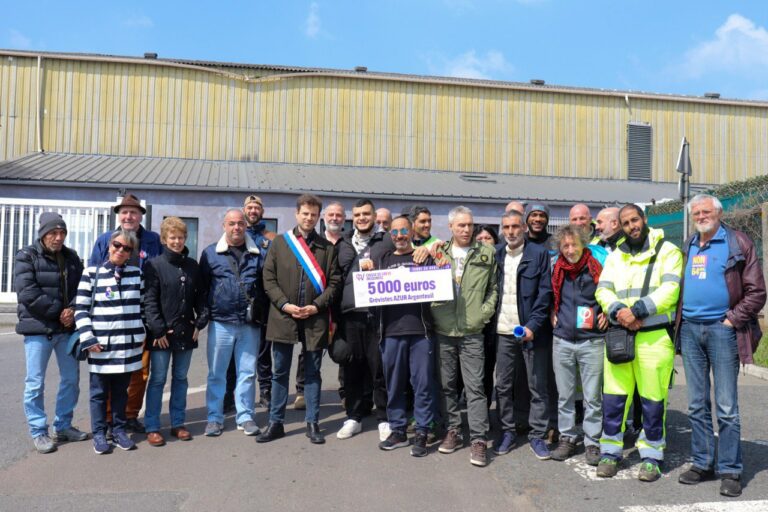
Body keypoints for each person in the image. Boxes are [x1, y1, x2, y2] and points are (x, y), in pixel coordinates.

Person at [675, 194, 766, 498]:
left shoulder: (738, 243)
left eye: (706, 211)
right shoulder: (689, 244)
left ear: (718, 212)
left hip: (722, 331)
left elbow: (756, 292)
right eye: (696, 212)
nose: (701, 216)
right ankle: (702, 463)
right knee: (697, 404)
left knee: (727, 407)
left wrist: (731, 320)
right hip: (690, 330)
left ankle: (730, 469)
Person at [595, 204, 682, 482]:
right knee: (614, 399)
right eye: (626, 222)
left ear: (644, 220)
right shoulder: (616, 255)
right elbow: (603, 289)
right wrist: (619, 310)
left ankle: (651, 458)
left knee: (653, 402)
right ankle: (609, 453)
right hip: (621, 335)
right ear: (620, 226)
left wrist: (638, 310)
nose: (632, 226)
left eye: (635, 220)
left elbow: (671, 289)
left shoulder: (667, 251)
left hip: (654, 338)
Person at [258, 194, 341, 445]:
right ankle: (276, 422)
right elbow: (268, 278)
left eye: (313, 215)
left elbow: (335, 282)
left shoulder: (327, 248)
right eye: (305, 213)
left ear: (319, 218)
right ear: (297, 214)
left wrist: (316, 306)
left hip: (314, 318)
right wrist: (285, 304)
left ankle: (312, 422)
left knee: (313, 372)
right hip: (284, 316)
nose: (309, 218)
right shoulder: (281, 243)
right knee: (280, 371)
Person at [89, 193, 162, 434]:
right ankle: (109, 419)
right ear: (119, 215)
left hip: (140, 314)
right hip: (108, 318)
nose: (128, 216)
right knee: (110, 370)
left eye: (133, 212)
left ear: (141, 215)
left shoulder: (153, 241)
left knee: (140, 371)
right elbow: (92, 275)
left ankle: (130, 415)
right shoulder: (105, 239)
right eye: (124, 212)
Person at [15, 212, 87, 453]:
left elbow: (84, 288)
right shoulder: (26, 256)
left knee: (71, 380)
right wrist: (61, 312)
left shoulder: (72, 257)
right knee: (35, 384)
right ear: (42, 234)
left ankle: (63, 426)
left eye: (62, 233)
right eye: (52, 233)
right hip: (38, 331)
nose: (58, 238)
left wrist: (74, 309)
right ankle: (39, 431)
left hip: (66, 331)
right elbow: (28, 293)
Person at [432, 206, 498, 467]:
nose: (466, 229)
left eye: (470, 225)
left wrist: (484, 313)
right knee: (447, 385)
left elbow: (493, 288)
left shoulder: (487, 253)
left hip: (472, 330)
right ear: (450, 227)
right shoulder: (438, 252)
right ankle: (453, 430)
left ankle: (479, 440)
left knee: (475, 388)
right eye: (461, 225)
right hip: (444, 329)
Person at [76, 229, 145, 454]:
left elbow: (143, 308)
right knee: (98, 393)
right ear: (109, 246)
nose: (120, 250)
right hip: (101, 345)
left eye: (126, 248)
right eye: (117, 245)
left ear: (131, 253)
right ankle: (98, 433)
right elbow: (81, 310)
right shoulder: (91, 273)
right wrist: (88, 338)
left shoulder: (136, 274)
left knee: (121, 391)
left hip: (128, 345)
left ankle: (118, 430)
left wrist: (141, 334)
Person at [493, 210, 553, 460]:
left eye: (515, 226)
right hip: (503, 332)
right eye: (506, 227)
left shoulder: (538, 255)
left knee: (537, 386)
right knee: (504, 385)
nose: (510, 232)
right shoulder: (496, 253)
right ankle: (507, 431)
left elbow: (545, 293)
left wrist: (533, 326)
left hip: (531, 332)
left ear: (524, 228)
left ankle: (537, 435)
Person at [199, 209, 264, 438]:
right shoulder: (209, 254)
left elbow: (265, 287)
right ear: (223, 226)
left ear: (246, 226)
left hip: (249, 325)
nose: (236, 227)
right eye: (232, 223)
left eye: (240, 223)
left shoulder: (257, 254)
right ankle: (214, 418)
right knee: (217, 373)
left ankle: (245, 416)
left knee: (247, 373)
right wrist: (204, 316)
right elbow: (203, 288)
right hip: (221, 323)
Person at [142, 217, 206, 446]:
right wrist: (157, 330)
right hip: (161, 335)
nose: (177, 241)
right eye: (172, 237)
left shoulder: (192, 266)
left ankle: (178, 423)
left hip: (186, 332)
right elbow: (149, 300)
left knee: (180, 378)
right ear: (164, 239)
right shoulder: (154, 265)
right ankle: (152, 426)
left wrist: (200, 323)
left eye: (180, 237)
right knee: (158, 379)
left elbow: (200, 297)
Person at [375, 215, 435, 456]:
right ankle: (398, 430)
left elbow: (442, 275)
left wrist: (432, 249)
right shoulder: (383, 259)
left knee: (422, 384)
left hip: (420, 331)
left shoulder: (423, 256)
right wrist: (367, 269)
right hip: (390, 331)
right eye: (395, 232)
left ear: (411, 232)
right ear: (390, 235)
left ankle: (422, 431)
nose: (399, 236)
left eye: (404, 231)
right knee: (395, 384)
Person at [549, 225, 606, 464]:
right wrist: (552, 309)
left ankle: (592, 442)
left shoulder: (597, 267)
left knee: (593, 396)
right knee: (565, 395)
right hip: (562, 339)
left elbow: (609, 292)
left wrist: (607, 311)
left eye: (574, 244)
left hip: (591, 340)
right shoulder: (556, 268)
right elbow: (549, 295)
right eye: (565, 246)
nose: (570, 250)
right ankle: (567, 438)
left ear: (583, 243)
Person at [336, 199, 390, 441]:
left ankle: (383, 418)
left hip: (377, 314)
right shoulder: (344, 242)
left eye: (366, 214)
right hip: (350, 314)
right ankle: (353, 417)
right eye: (357, 214)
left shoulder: (386, 240)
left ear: (374, 215)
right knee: (352, 367)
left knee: (379, 368)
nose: (361, 218)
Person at [241, 195, 275, 410]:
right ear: (244, 210)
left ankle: (265, 390)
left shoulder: (270, 238)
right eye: (249, 207)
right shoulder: (235, 234)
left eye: (257, 208)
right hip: (240, 300)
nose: (253, 211)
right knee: (239, 351)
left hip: (263, 301)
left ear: (262, 212)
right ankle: (230, 394)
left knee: (263, 350)